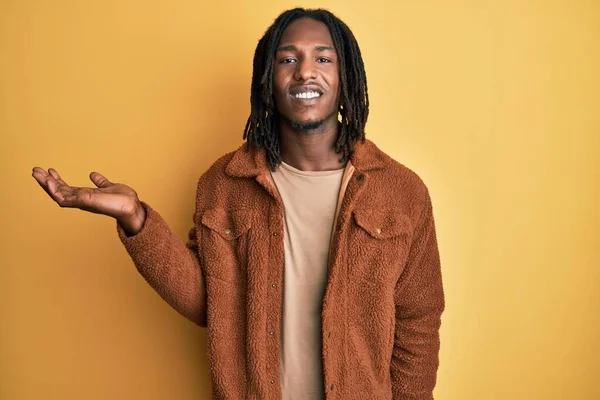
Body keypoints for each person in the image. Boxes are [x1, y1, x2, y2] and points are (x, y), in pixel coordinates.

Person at [31, 7, 444, 400]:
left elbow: (418, 322)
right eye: (287, 59)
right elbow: (210, 304)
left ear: (346, 77)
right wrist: (137, 220)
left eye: (323, 58)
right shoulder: (225, 184)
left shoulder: (400, 192)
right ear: (267, 81)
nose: (305, 71)